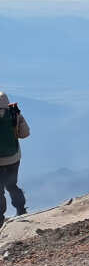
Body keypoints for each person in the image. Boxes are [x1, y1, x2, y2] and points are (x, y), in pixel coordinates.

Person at [0, 91, 31, 227]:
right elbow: (25, 134)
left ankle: (0, 219)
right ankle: (21, 209)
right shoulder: (14, 113)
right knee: (12, 185)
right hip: (13, 158)